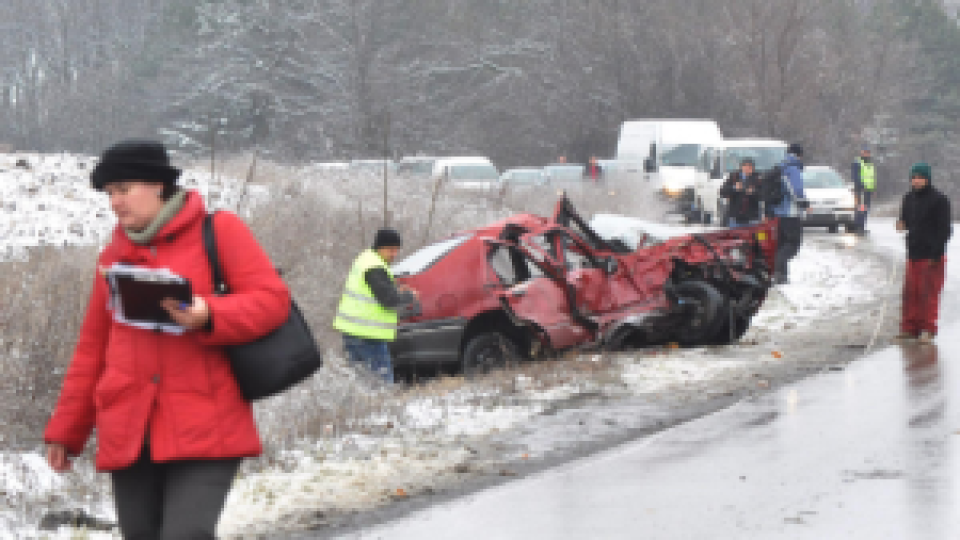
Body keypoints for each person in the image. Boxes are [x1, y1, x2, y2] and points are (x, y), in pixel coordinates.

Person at [43, 140, 290, 538]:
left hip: (207, 423)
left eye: (124, 189)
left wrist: (210, 314)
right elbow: (92, 349)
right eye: (109, 193)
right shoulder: (112, 258)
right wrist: (66, 432)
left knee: (185, 535)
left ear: (158, 184)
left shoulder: (219, 230)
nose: (115, 203)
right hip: (129, 430)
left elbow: (273, 301)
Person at [334, 229, 417, 383]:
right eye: (390, 250)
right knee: (382, 386)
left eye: (396, 250)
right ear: (379, 247)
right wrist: (409, 296)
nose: (394, 254)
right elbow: (389, 299)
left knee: (361, 385)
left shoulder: (366, 259)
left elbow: (373, 293)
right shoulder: (374, 266)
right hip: (367, 335)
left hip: (354, 332)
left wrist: (396, 290)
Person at [896, 163, 952, 342]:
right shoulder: (908, 198)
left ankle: (928, 329)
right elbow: (904, 221)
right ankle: (910, 327)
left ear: (927, 179)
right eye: (914, 177)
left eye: (920, 177)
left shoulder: (939, 199)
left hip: (932, 255)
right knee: (911, 293)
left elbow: (945, 229)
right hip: (913, 251)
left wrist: (937, 253)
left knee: (928, 293)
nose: (916, 181)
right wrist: (901, 224)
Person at [764, 143, 808, 284]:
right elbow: (796, 189)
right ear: (799, 155)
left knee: (782, 243)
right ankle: (779, 272)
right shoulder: (792, 168)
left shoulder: (780, 167)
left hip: (777, 214)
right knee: (793, 244)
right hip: (790, 213)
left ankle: (781, 275)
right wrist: (803, 202)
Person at [719, 157, 762, 228]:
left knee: (754, 238)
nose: (747, 168)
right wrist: (734, 188)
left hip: (752, 218)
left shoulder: (758, 178)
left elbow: (763, 195)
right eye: (745, 166)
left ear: (753, 168)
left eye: (750, 166)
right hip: (735, 217)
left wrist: (753, 192)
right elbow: (722, 192)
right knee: (734, 237)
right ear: (741, 167)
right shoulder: (733, 177)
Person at [852, 144, 877, 235]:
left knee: (866, 209)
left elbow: (872, 177)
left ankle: (862, 227)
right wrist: (860, 186)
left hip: (868, 190)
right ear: (861, 152)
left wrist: (873, 189)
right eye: (865, 152)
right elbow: (855, 176)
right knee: (860, 209)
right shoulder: (857, 162)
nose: (867, 154)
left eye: (868, 152)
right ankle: (858, 227)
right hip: (861, 190)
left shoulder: (870, 163)